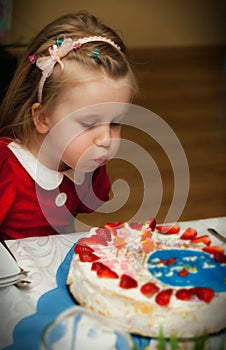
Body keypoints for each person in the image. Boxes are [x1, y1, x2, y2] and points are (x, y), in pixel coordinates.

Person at [0, 11, 138, 240]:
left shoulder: (81, 162)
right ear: (43, 118)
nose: (106, 139)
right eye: (89, 123)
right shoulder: (7, 169)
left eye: (115, 122)